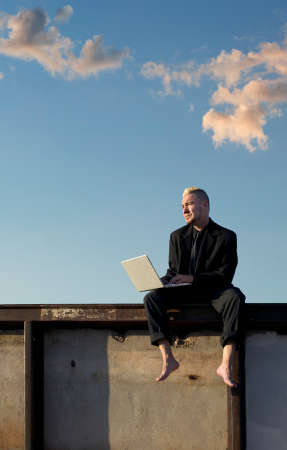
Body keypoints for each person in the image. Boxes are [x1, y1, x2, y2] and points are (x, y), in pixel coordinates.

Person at [144, 187, 245, 388]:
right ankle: (168, 358)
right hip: (183, 292)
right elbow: (173, 271)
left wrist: (192, 278)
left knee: (235, 297)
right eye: (182, 206)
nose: (184, 210)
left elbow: (225, 275)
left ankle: (225, 364)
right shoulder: (176, 236)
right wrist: (160, 281)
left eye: (189, 204)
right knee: (151, 298)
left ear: (204, 205)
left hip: (214, 291)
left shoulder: (226, 236)